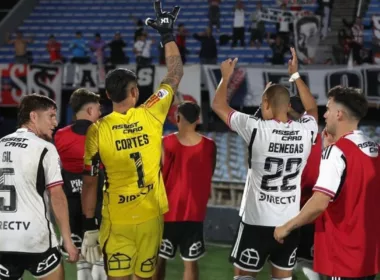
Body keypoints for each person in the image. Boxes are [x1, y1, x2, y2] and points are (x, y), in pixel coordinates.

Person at [80, 1, 183, 279]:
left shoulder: (97, 130)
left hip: (116, 221)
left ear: (107, 96)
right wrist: (167, 35)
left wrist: (88, 224)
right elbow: (175, 74)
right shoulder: (151, 112)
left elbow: (90, 180)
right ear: (135, 92)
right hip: (150, 218)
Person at [211, 47, 319, 280]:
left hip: (256, 222)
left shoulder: (256, 128)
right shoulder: (305, 131)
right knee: (282, 278)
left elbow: (219, 106)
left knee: (243, 275)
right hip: (289, 222)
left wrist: (225, 77)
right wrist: (295, 76)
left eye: (263, 102)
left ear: (268, 105)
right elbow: (311, 109)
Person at [274, 86, 380, 280]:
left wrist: (286, 227)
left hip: (343, 255)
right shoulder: (375, 148)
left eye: (329, 109)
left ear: (339, 114)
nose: (324, 115)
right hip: (368, 254)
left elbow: (319, 202)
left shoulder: (337, 152)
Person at [0, 94, 79, 280]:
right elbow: (57, 195)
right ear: (34, 117)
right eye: (51, 116)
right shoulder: (45, 148)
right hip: (35, 240)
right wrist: (67, 239)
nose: (55, 122)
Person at [154, 102, 216, 280]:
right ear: (198, 119)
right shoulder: (209, 146)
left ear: (177, 118)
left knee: (159, 259)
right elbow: (209, 171)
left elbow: (156, 173)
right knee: (190, 261)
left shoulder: (165, 143)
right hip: (194, 212)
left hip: (168, 211)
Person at [54, 88, 106, 280]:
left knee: (82, 264)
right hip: (98, 205)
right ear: (90, 110)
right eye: (99, 109)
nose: (100, 113)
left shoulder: (60, 136)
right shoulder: (102, 134)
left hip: (70, 207)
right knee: (101, 263)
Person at [288, 96, 322, 280]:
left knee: (284, 264)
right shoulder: (315, 133)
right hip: (313, 208)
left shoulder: (288, 132)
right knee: (309, 263)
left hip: (293, 207)